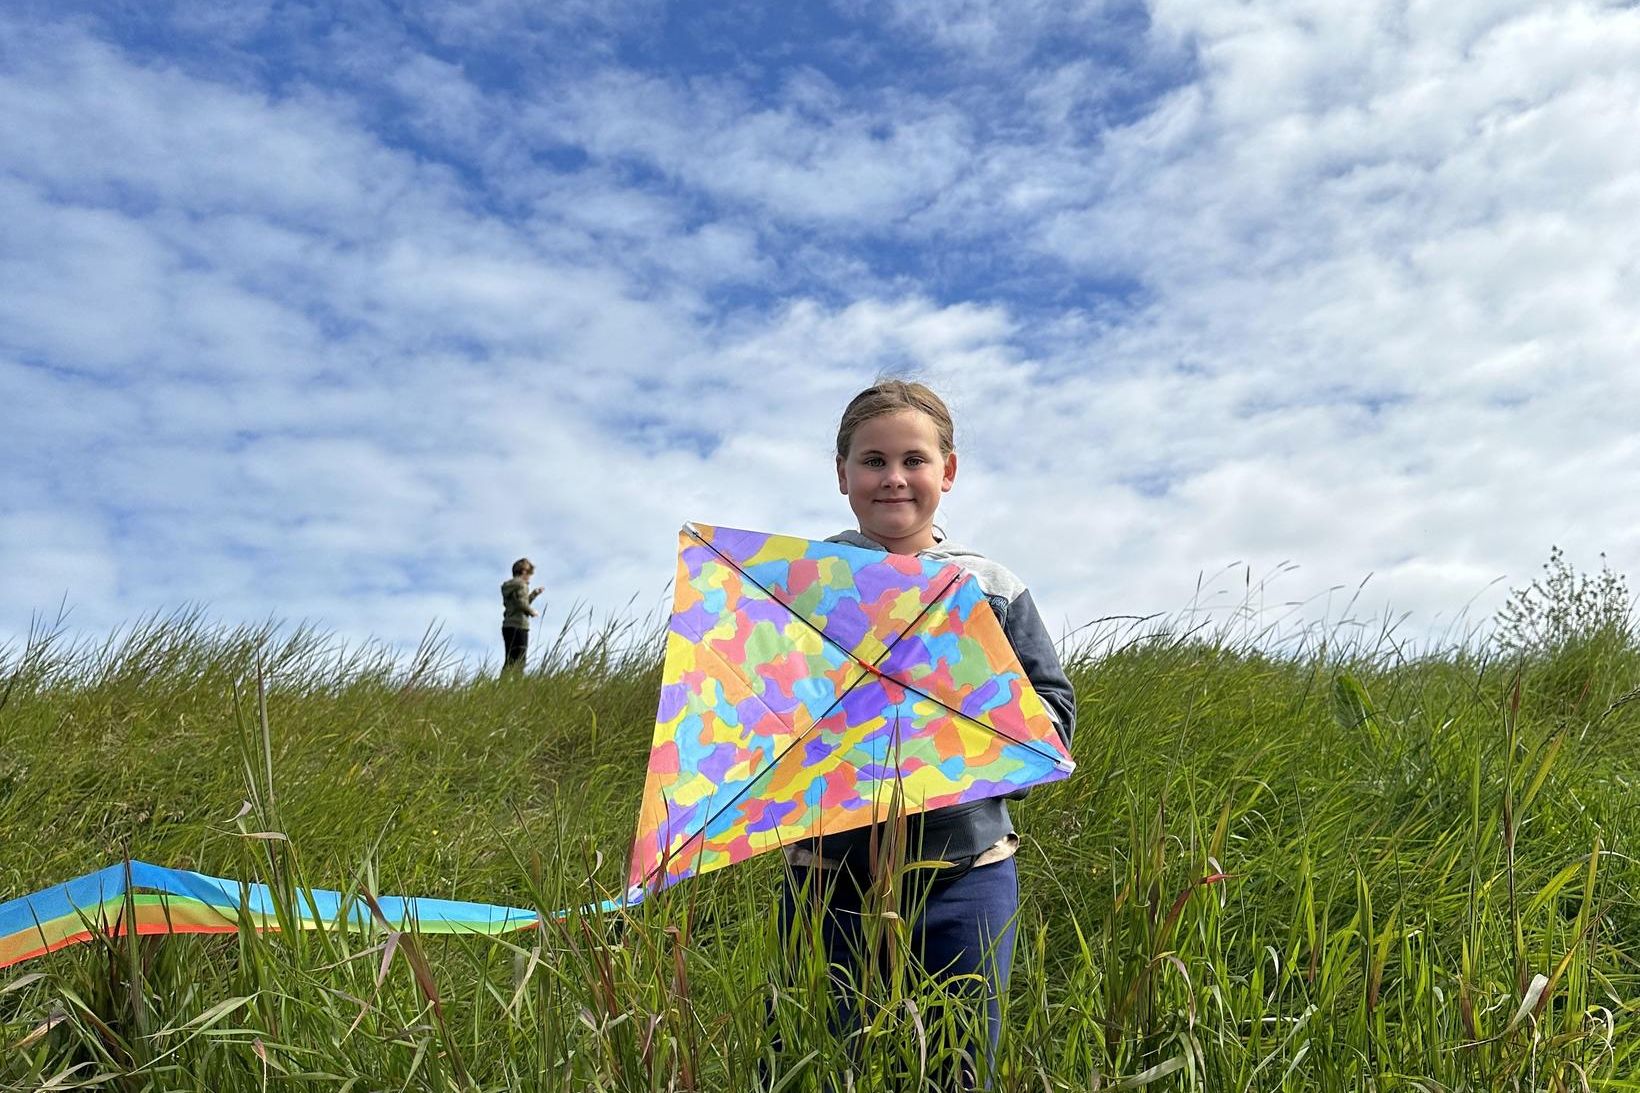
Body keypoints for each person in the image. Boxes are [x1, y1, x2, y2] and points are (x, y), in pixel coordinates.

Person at [777, 379, 1078, 1086]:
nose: (893, 478)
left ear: (948, 470)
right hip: (828, 878)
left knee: (957, 1064)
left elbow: (1053, 722)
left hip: (967, 872)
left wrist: (952, 715)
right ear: (842, 473)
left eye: (913, 459)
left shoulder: (990, 586)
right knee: (808, 1063)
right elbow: (762, 718)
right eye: (872, 461)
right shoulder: (802, 583)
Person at [500, 557, 543, 672]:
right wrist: (531, 611)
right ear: (524, 572)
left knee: (509, 660)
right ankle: (518, 684)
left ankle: (502, 686)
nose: (529, 578)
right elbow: (521, 604)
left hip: (508, 626)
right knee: (520, 661)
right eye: (529, 574)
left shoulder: (509, 586)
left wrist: (534, 594)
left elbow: (519, 602)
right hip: (520, 626)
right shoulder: (522, 585)